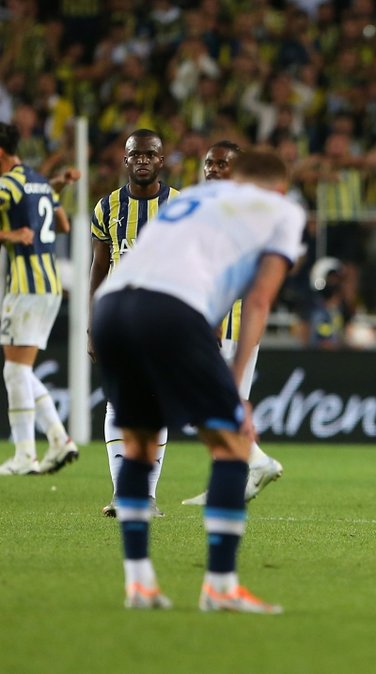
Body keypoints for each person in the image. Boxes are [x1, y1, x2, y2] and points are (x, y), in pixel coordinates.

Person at [90, 148, 305, 612]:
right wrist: (235, 382)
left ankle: (139, 584)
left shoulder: (194, 199)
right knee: (230, 444)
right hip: (171, 310)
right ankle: (220, 587)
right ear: (278, 188)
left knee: (140, 443)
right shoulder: (282, 210)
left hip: (110, 308)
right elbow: (260, 299)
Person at [181, 140, 286, 506]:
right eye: (209, 163)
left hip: (225, 321)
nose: (212, 169)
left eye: (222, 164)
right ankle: (230, 483)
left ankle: (256, 462)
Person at [89, 128, 180, 517]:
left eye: (150, 154)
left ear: (162, 160)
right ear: (125, 161)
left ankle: (147, 495)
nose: (142, 160)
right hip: (119, 321)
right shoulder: (106, 207)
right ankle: (123, 492)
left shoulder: (180, 207)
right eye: (135, 155)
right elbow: (99, 267)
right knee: (117, 403)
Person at [0, 122, 79, 475]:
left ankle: (24, 455)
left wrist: (10, 234)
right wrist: (55, 188)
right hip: (50, 285)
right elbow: (62, 225)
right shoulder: (37, 180)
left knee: (15, 370)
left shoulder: (9, 182)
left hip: (26, 285)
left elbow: (26, 228)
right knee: (21, 369)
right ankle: (59, 439)